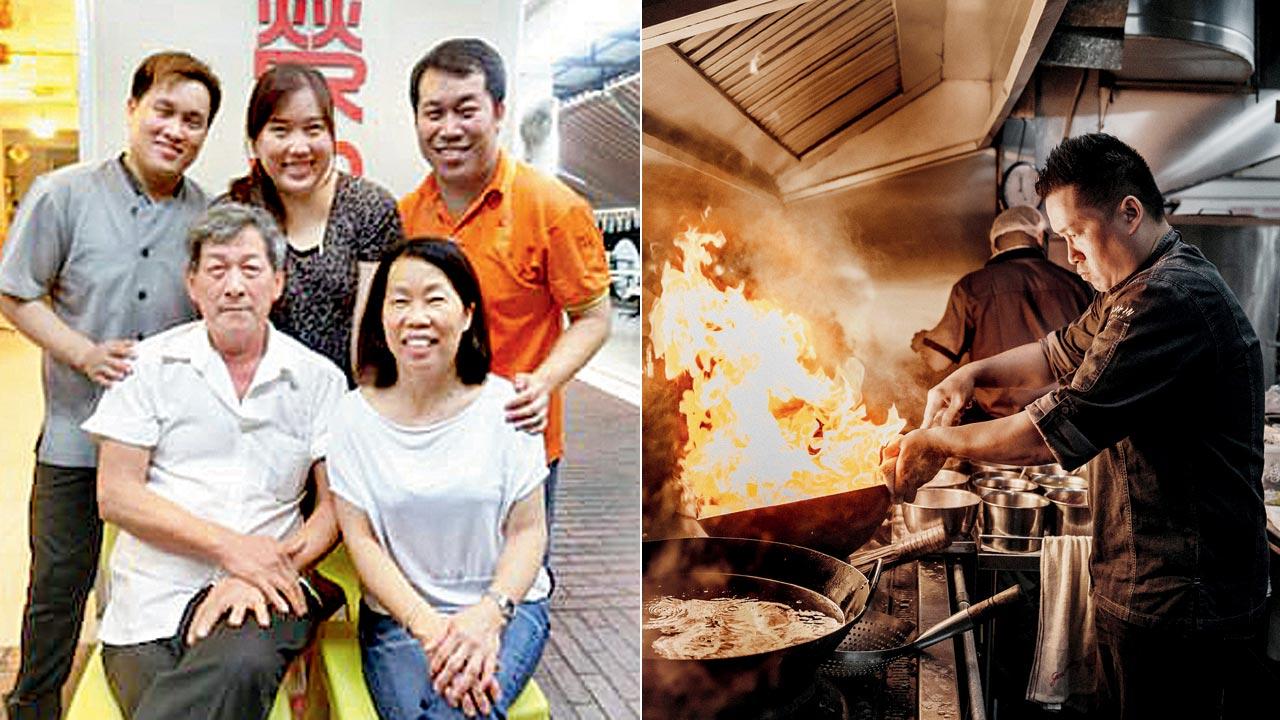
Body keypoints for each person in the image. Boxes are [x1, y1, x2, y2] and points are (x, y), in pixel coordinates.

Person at [887, 133, 1268, 719]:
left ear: (1130, 212)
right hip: (1147, 584)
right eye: (1061, 238)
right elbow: (1053, 353)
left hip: (1181, 602)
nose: (1070, 256)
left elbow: (1051, 430)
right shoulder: (1132, 289)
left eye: (1075, 235)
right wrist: (969, 375)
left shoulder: (1167, 300)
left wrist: (937, 440)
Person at [0, 51, 221, 719]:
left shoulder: (208, 219)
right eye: (165, 111)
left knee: (147, 590)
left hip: (164, 455)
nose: (176, 130)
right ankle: (33, 705)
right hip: (74, 440)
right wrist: (83, 352)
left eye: (194, 120)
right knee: (57, 586)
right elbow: (15, 292)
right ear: (132, 109)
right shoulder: (62, 193)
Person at [80, 203, 347, 719]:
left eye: (250, 269)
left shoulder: (319, 380)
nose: (234, 286)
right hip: (153, 593)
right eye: (218, 269)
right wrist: (232, 550)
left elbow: (334, 510)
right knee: (176, 695)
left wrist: (262, 569)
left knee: (238, 668)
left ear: (277, 283)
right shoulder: (147, 366)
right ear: (192, 283)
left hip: (268, 591)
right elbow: (115, 494)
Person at [329, 239, 550, 720]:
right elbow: (362, 541)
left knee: (453, 713)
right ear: (380, 316)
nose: (416, 317)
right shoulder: (350, 418)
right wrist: (431, 630)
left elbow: (528, 531)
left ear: (467, 314)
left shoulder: (510, 407)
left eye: (434, 298)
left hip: (507, 608)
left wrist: (488, 618)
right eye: (399, 300)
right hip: (401, 619)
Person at [397, 38, 611, 534]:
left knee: (520, 583)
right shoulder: (405, 216)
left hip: (517, 438)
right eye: (433, 113)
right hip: (430, 438)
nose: (448, 129)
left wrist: (545, 381)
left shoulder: (553, 209)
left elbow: (593, 318)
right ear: (417, 122)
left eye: (465, 110)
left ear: (497, 112)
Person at [226, 63, 401, 384]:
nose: (299, 147)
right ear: (255, 141)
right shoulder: (234, 214)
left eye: (313, 129)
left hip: (348, 402)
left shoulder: (370, 208)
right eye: (280, 130)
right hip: (254, 399)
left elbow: (373, 337)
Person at [911, 205, 1091, 422]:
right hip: (1066, 424)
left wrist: (923, 342)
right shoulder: (1076, 284)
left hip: (999, 431)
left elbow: (937, 360)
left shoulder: (971, 287)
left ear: (994, 245)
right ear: (1040, 237)